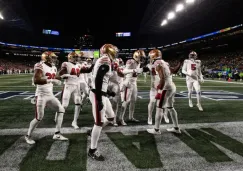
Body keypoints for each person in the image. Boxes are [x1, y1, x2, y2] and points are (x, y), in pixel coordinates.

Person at [25, 51, 68, 144]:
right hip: (41, 95)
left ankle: (57, 133)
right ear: (46, 58)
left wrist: (61, 76)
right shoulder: (39, 65)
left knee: (61, 110)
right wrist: (52, 80)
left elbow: (53, 77)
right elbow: (36, 80)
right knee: (39, 117)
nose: (55, 59)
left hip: (50, 95)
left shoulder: (54, 67)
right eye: (53, 57)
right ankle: (28, 136)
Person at [88, 44, 118, 161]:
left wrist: (108, 92)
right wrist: (100, 98)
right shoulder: (105, 60)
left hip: (101, 93)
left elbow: (102, 79)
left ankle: (92, 131)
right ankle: (92, 150)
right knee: (99, 122)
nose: (116, 53)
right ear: (110, 51)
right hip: (97, 94)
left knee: (110, 117)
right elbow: (99, 79)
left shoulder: (105, 60)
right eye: (114, 51)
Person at [147, 49, 182, 135]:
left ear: (153, 56)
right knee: (170, 107)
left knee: (159, 108)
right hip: (172, 87)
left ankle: (156, 129)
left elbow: (162, 77)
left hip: (165, 88)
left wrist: (159, 90)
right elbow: (174, 71)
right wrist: (179, 63)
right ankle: (176, 128)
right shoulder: (165, 62)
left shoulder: (157, 63)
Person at [119, 50, 145, 125]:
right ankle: (121, 118)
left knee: (133, 100)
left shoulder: (138, 63)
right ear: (136, 56)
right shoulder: (131, 61)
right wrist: (134, 70)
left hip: (134, 83)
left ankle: (130, 117)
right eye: (141, 57)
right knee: (126, 101)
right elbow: (124, 71)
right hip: (128, 83)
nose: (142, 59)